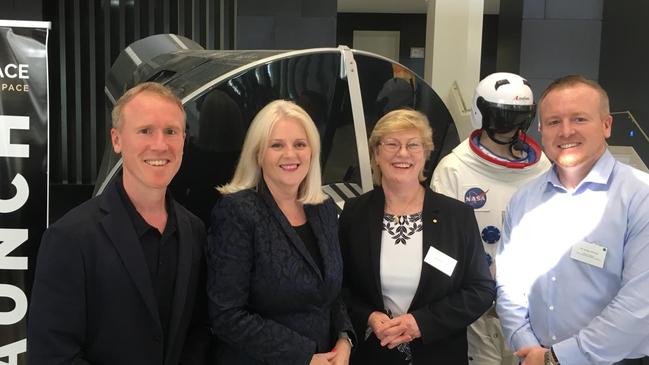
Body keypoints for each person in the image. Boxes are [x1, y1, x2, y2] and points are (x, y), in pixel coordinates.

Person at [28, 82, 210, 364]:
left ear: (184, 141)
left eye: (171, 131)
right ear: (117, 140)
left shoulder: (195, 232)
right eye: (145, 130)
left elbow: (197, 334)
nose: (160, 144)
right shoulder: (69, 238)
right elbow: (52, 354)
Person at [496, 75, 649, 365]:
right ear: (541, 129)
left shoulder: (640, 197)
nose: (566, 132)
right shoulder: (524, 200)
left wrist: (558, 358)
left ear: (606, 125)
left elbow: (640, 305)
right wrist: (527, 346)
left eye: (579, 119)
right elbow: (508, 284)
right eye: (554, 122)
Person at [339, 109, 496, 365]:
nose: (403, 153)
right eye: (391, 144)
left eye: (413, 145)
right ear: (376, 154)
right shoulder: (354, 213)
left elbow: (480, 289)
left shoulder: (456, 216)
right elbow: (340, 286)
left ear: (425, 154)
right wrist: (367, 316)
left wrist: (421, 323)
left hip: (439, 355)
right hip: (372, 354)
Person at [207, 100, 354, 365]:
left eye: (300, 144)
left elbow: (331, 291)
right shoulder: (237, 212)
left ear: (312, 151)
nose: (291, 154)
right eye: (277, 145)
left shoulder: (324, 209)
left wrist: (345, 338)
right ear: (258, 154)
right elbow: (226, 316)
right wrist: (305, 356)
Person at [432, 72, 551, 365]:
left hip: (529, 310)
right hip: (474, 311)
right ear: (481, 112)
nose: (507, 126)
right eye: (499, 116)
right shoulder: (454, 169)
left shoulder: (542, 169)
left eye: (515, 118)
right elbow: (436, 248)